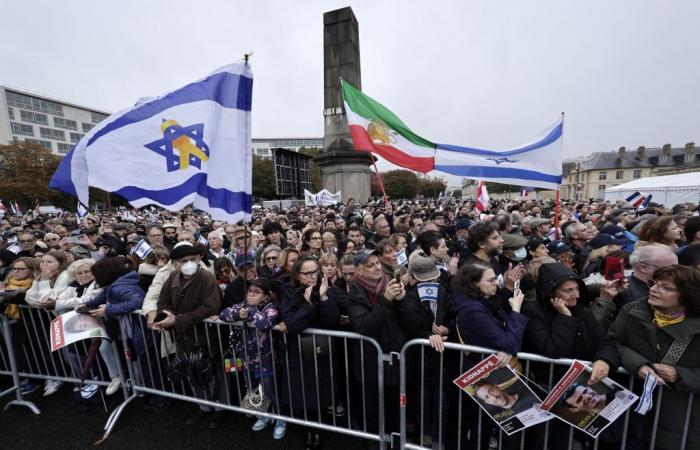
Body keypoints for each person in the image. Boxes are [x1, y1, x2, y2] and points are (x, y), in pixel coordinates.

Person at [609, 265, 700, 450]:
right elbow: (612, 343)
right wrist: (639, 365)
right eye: (654, 283)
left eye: (665, 287)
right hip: (630, 413)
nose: (653, 289)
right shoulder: (633, 310)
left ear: (687, 295)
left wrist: (680, 374)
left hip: (680, 419)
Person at [153, 242, 224, 428]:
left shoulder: (207, 278)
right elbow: (162, 301)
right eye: (184, 261)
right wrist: (166, 315)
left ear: (200, 258)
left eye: (193, 259)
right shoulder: (173, 278)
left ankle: (219, 410)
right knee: (193, 375)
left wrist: (178, 320)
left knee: (213, 376)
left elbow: (210, 308)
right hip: (184, 338)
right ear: (176, 263)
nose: (189, 263)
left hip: (206, 338)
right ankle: (203, 407)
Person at [346, 249, 407, 444]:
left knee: (394, 410)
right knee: (372, 411)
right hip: (370, 363)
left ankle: (395, 442)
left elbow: (409, 322)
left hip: (395, 359)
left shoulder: (391, 283)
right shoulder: (355, 291)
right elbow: (364, 327)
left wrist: (402, 301)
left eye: (377, 263)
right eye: (370, 265)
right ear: (359, 270)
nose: (376, 268)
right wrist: (386, 300)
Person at [280, 255, 339, 450]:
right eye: (308, 273)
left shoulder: (325, 288)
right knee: (304, 395)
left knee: (321, 393)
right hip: (298, 352)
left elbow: (332, 321)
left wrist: (322, 297)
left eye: (315, 271)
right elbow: (293, 324)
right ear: (297, 275)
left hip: (321, 350)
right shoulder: (288, 292)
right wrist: (307, 304)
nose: (313, 276)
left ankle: (319, 432)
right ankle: (308, 432)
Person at [219, 278, 286, 439]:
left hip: (267, 359)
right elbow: (224, 314)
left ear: (266, 296)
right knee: (252, 389)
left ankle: (280, 420)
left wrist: (249, 312)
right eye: (250, 291)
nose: (251, 294)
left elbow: (265, 323)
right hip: (247, 359)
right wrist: (238, 313)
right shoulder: (243, 305)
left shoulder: (271, 308)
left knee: (271, 390)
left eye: (256, 292)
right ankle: (263, 416)